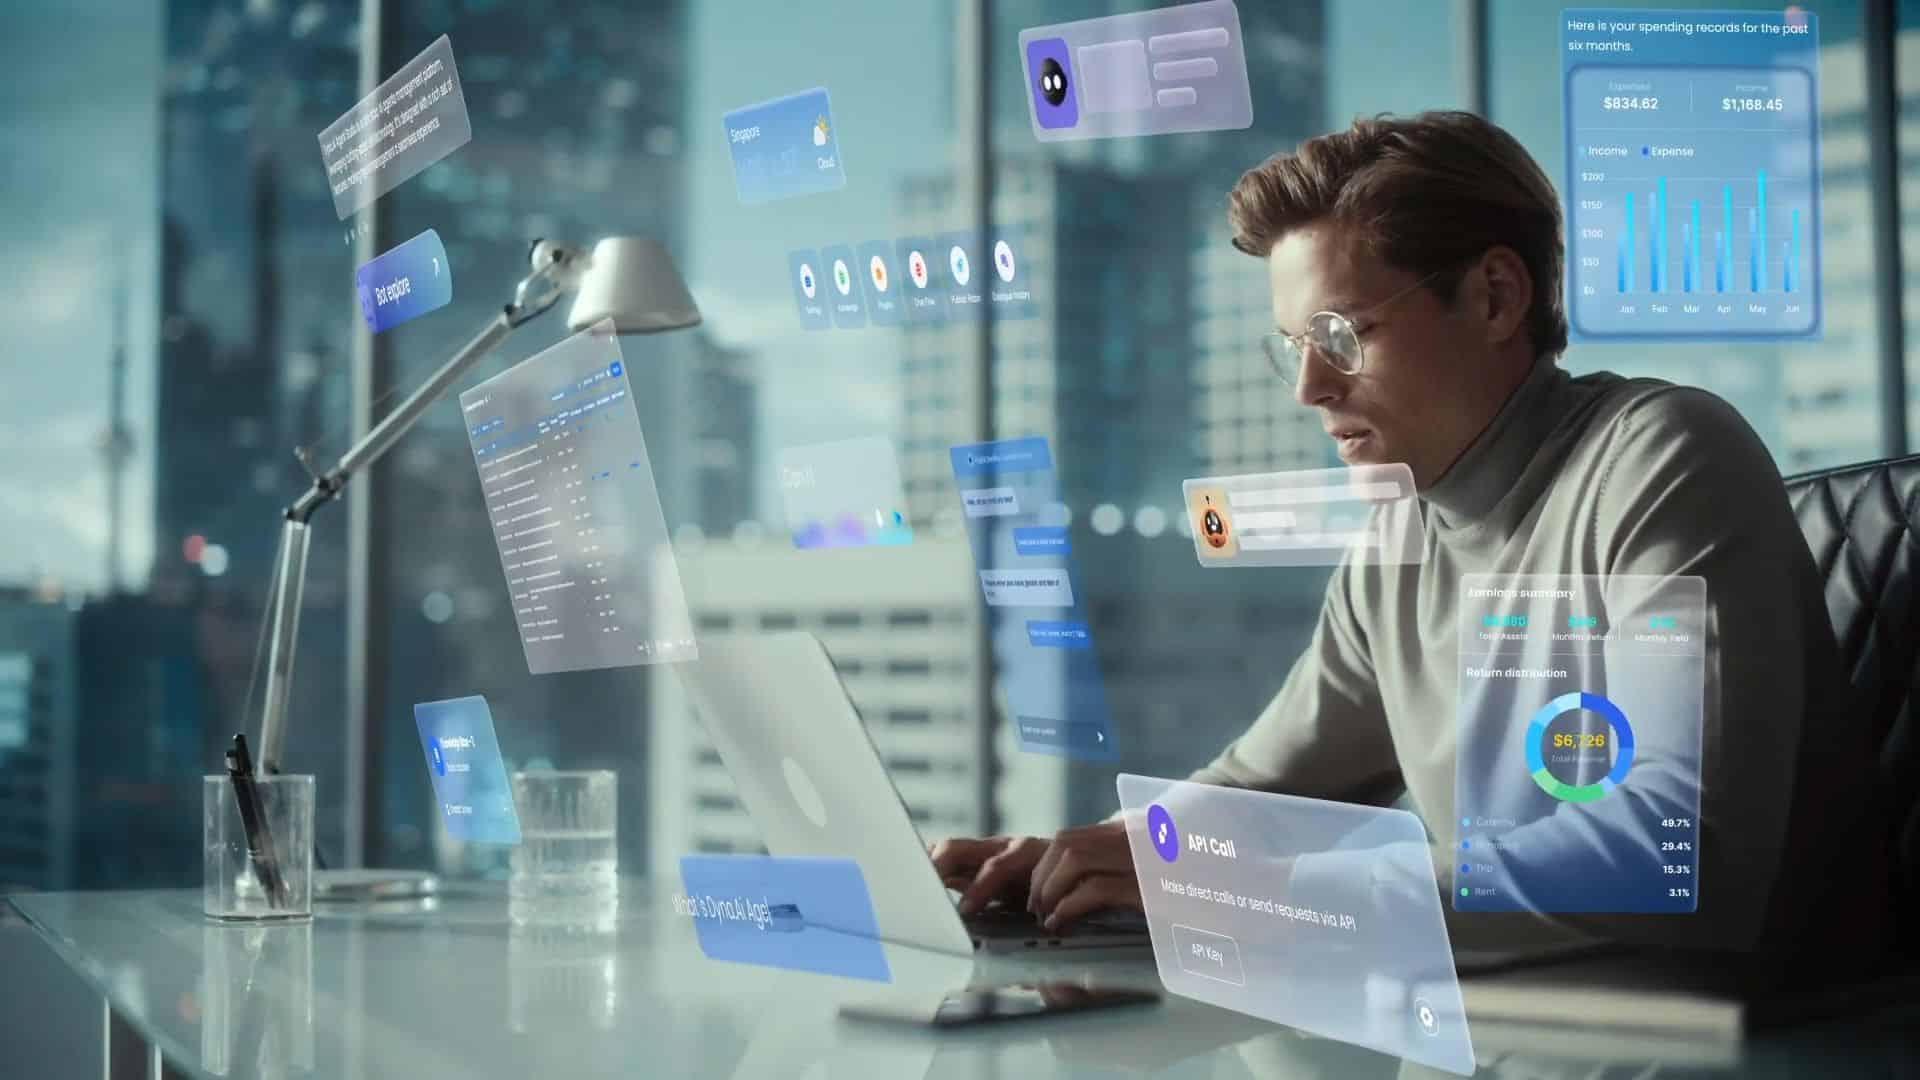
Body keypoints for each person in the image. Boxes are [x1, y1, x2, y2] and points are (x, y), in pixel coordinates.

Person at [932, 110, 1891, 965]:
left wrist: (1244, 893)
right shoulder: (1399, 538)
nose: (1310, 387)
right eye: (1293, 346)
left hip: (1763, 1040)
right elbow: (1264, 791)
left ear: (1495, 298)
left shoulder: (1666, 458)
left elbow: (1670, 858)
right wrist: (1097, 856)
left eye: (1342, 334)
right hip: (1530, 1025)